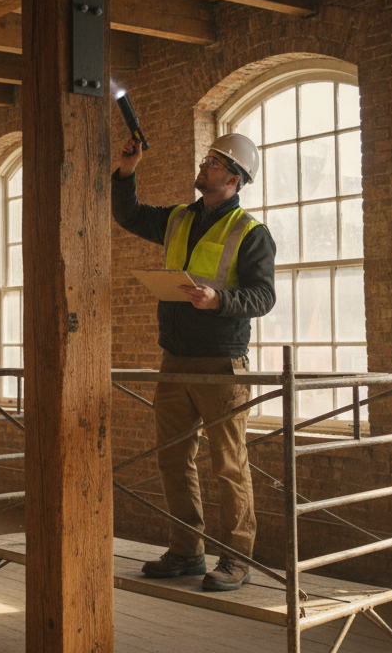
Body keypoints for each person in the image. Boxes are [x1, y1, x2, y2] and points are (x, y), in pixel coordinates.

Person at [112, 131, 276, 592]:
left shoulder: (251, 232)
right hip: (175, 359)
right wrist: (127, 171)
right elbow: (128, 214)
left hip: (221, 364)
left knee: (228, 464)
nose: (204, 166)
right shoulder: (179, 218)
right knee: (174, 458)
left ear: (235, 178)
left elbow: (263, 296)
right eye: (206, 158)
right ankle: (186, 550)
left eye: (215, 162)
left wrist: (217, 300)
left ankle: (237, 559)